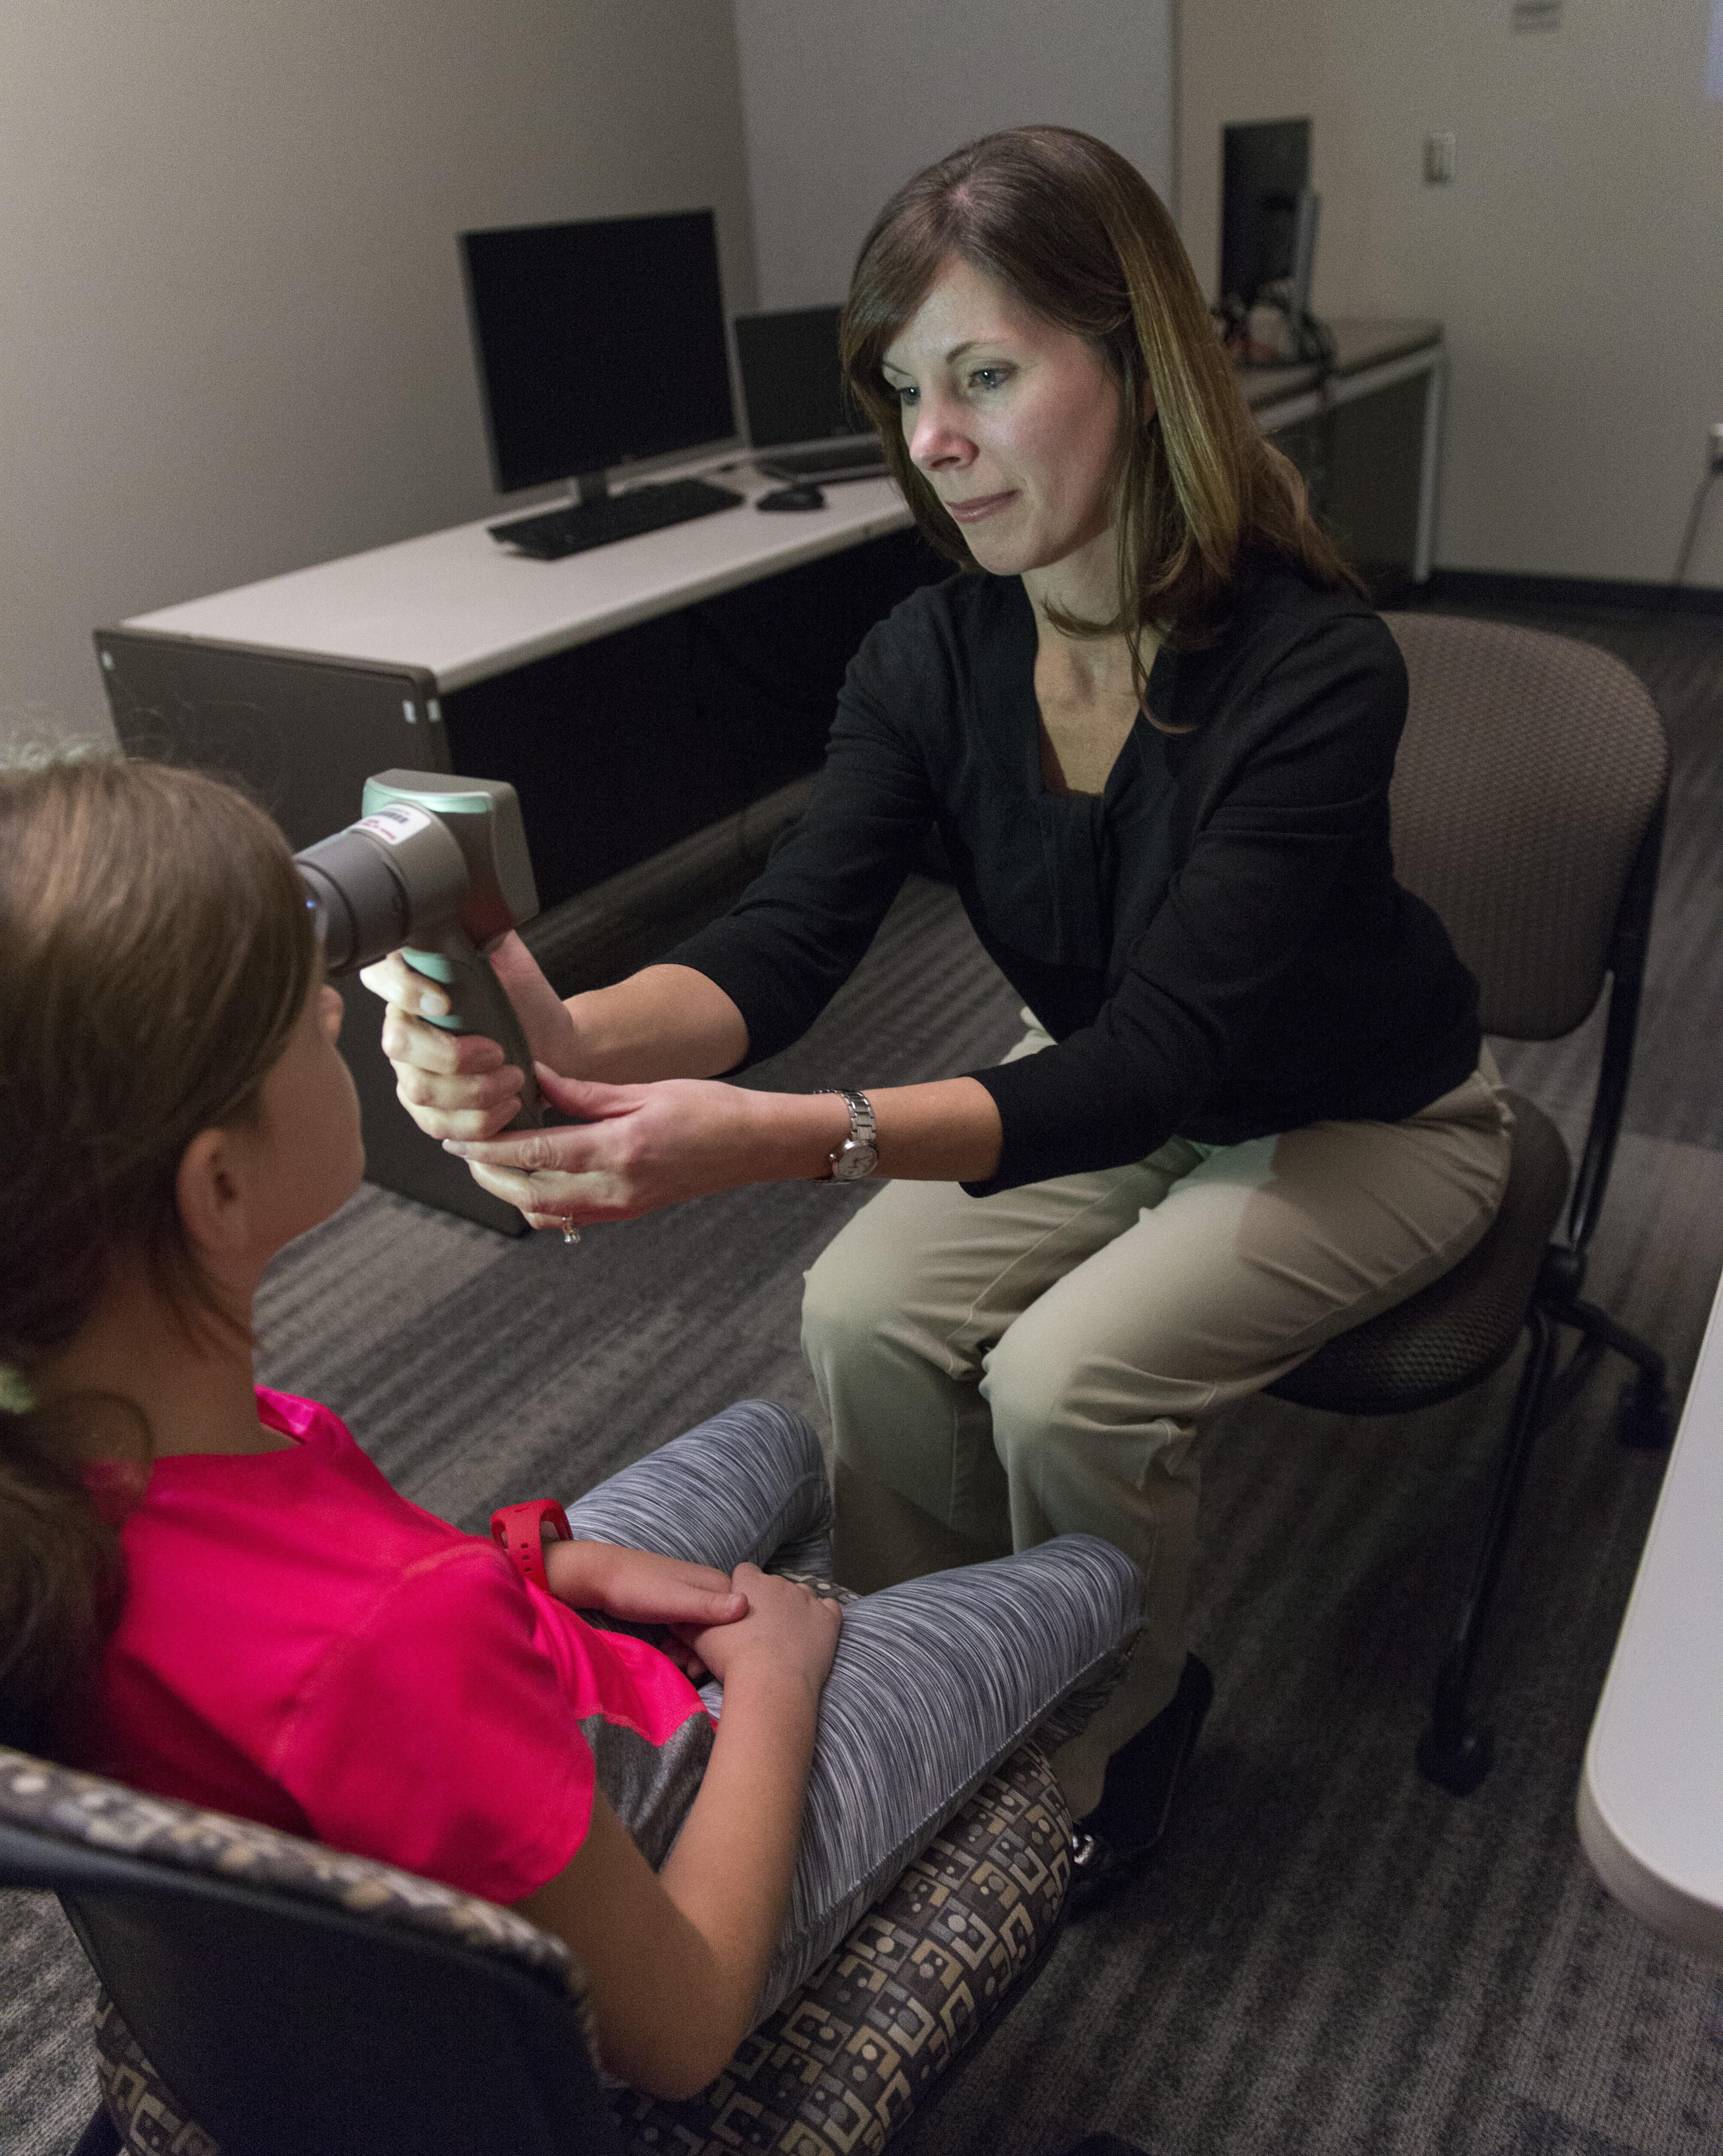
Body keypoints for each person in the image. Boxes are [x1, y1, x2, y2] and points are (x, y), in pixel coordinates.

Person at [367, 126, 1511, 1895]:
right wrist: (564, 1026)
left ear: (1133, 365)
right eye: (907, 389)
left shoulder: (1308, 666)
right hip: (1118, 1082)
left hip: (1367, 1112)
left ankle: (1111, 1722)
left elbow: (1162, 1060)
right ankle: (943, 1682)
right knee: (857, 1310)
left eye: (983, 375)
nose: (930, 442)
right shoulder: (928, 656)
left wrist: (794, 1137)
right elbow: (782, 945)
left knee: (1069, 1380)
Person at [0, 756, 1143, 2102]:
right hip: (657, 1829)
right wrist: (775, 1679)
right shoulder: (397, 1634)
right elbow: (681, 2025)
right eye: (286, 1012)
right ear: (219, 1185)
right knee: (1096, 1579)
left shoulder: (91, 1454)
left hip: (489, 1677)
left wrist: (536, 1563)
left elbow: (327, 1641)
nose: (324, 1006)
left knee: (774, 1445)